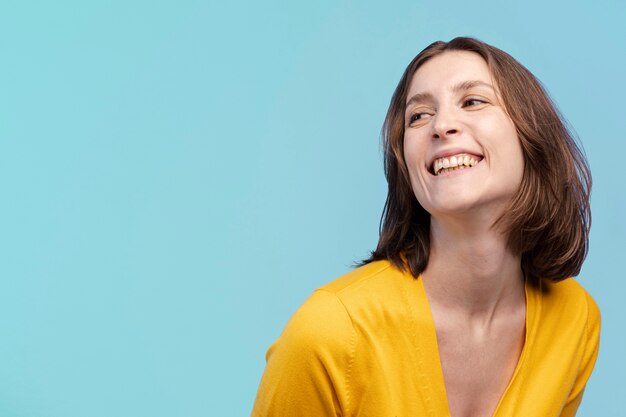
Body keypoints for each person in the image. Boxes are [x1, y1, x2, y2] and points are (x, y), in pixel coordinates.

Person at [251, 37, 600, 417]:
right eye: (418, 116)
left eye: (473, 101)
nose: (442, 125)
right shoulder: (330, 332)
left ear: (533, 135)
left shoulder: (575, 318)